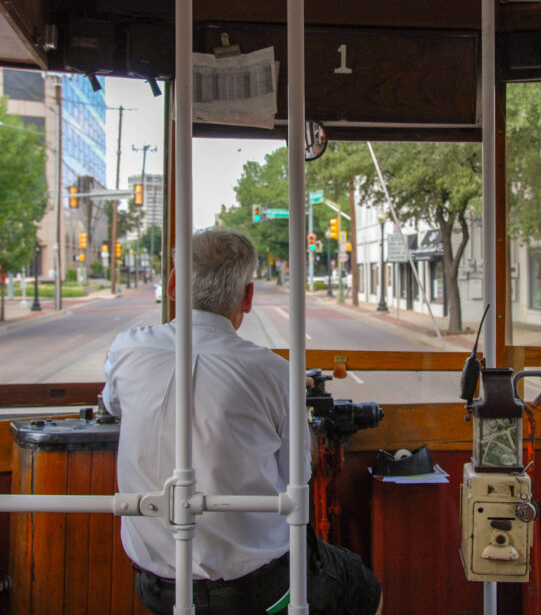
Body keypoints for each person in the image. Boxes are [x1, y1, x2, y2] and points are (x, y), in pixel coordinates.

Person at [102, 228, 382, 615]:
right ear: (248, 298)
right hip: (253, 590)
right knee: (364, 587)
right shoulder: (275, 373)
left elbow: (113, 405)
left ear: (172, 286)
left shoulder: (126, 349)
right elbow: (297, 476)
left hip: (155, 585)